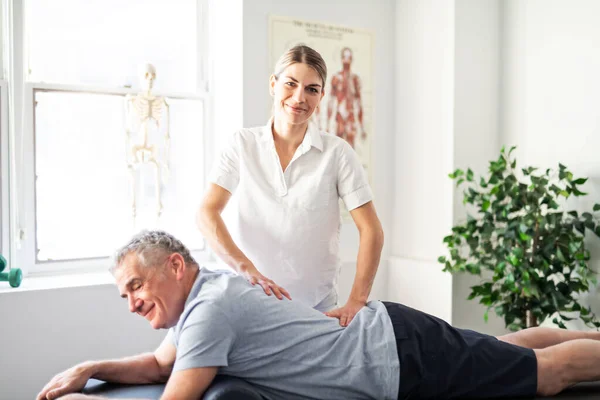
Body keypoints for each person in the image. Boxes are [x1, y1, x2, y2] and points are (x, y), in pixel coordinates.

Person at [38, 231, 600, 400]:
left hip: (399, 359)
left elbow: (174, 395)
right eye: (124, 295)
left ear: (176, 267)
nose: (132, 300)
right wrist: (92, 367)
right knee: (508, 347)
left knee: (546, 376)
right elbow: (160, 366)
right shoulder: (202, 299)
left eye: (136, 285)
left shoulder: (210, 311)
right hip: (393, 340)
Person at [197, 44, 384, 326]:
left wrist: (357, 301)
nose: (299, 97)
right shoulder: (242, 145)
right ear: (273, 84)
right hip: (247, 302)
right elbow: (206, 213)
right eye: (290, 84)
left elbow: (371, 229)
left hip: (315, 308)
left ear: (321, 96)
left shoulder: (338, 153)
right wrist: (245, 269)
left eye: (311, 89)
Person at [326, 47, 366, 148]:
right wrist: (327, 124)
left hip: (351, 118)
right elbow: (331, 101)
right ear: (341, 59)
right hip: (339, 118)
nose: (347, 60)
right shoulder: (336, 78)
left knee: (350, 149)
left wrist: (362, 127)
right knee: (338, 148)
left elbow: (359, 103)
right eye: (345, 57)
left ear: (352, 59)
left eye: (349, 57)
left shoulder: (355, 80)